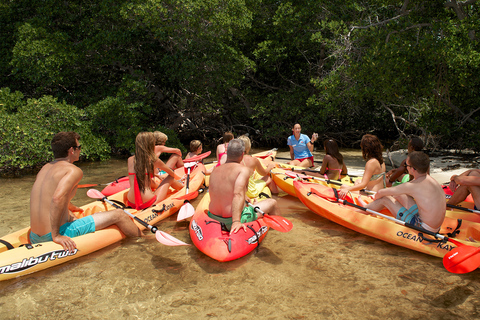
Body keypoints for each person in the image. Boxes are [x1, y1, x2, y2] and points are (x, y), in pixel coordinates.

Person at [30, 132, 141, 252]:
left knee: (72, 216)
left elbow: (49, 196)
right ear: (72, 150)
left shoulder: (45, 168)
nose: (80, 150)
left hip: (34, 236)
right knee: (120, 214)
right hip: (54, 235)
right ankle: (144, 239)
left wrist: (71, 207)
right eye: (79, 147)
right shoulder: (73, 170)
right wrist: (56, 236)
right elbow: (57, 198)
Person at [359, 151, 446, 232]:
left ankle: (363, 210)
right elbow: (396, 192)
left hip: (423, 227)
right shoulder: (432, 181)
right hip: (434, 227)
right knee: (400, 195)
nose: (405, 167)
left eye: (406, 165)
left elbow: (381, 193)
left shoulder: (412, 186)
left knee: (385, 199)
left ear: (413, 169)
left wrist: (376, 198)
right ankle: (373, 208)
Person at [208, 139, 280, 233]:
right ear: (242, 154)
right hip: (231, 220)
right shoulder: (243, 170)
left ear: (227, 153)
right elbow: (237, 194)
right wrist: (236, 221)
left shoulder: (215, 170)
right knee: (273, 203)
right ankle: (276, 234)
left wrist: (244, 197)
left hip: (213, 217)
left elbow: (221, 191)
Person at [127, 132, 183, 210]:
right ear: (151, 144)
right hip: (148, 201)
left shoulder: (130, 160)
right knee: (170, 177)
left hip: (131, 201)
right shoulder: (154, 160)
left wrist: (157, 176)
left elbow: (140, 175)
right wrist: (179, 179)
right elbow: (172, 174)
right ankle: (182, 187)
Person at [339, 134, 385, 198]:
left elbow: (363, 185)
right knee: (358, 181)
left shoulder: (371, 163)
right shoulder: (381, 161)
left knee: (343, 186)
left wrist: (347, 189)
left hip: (371, 195)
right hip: (378, 192)